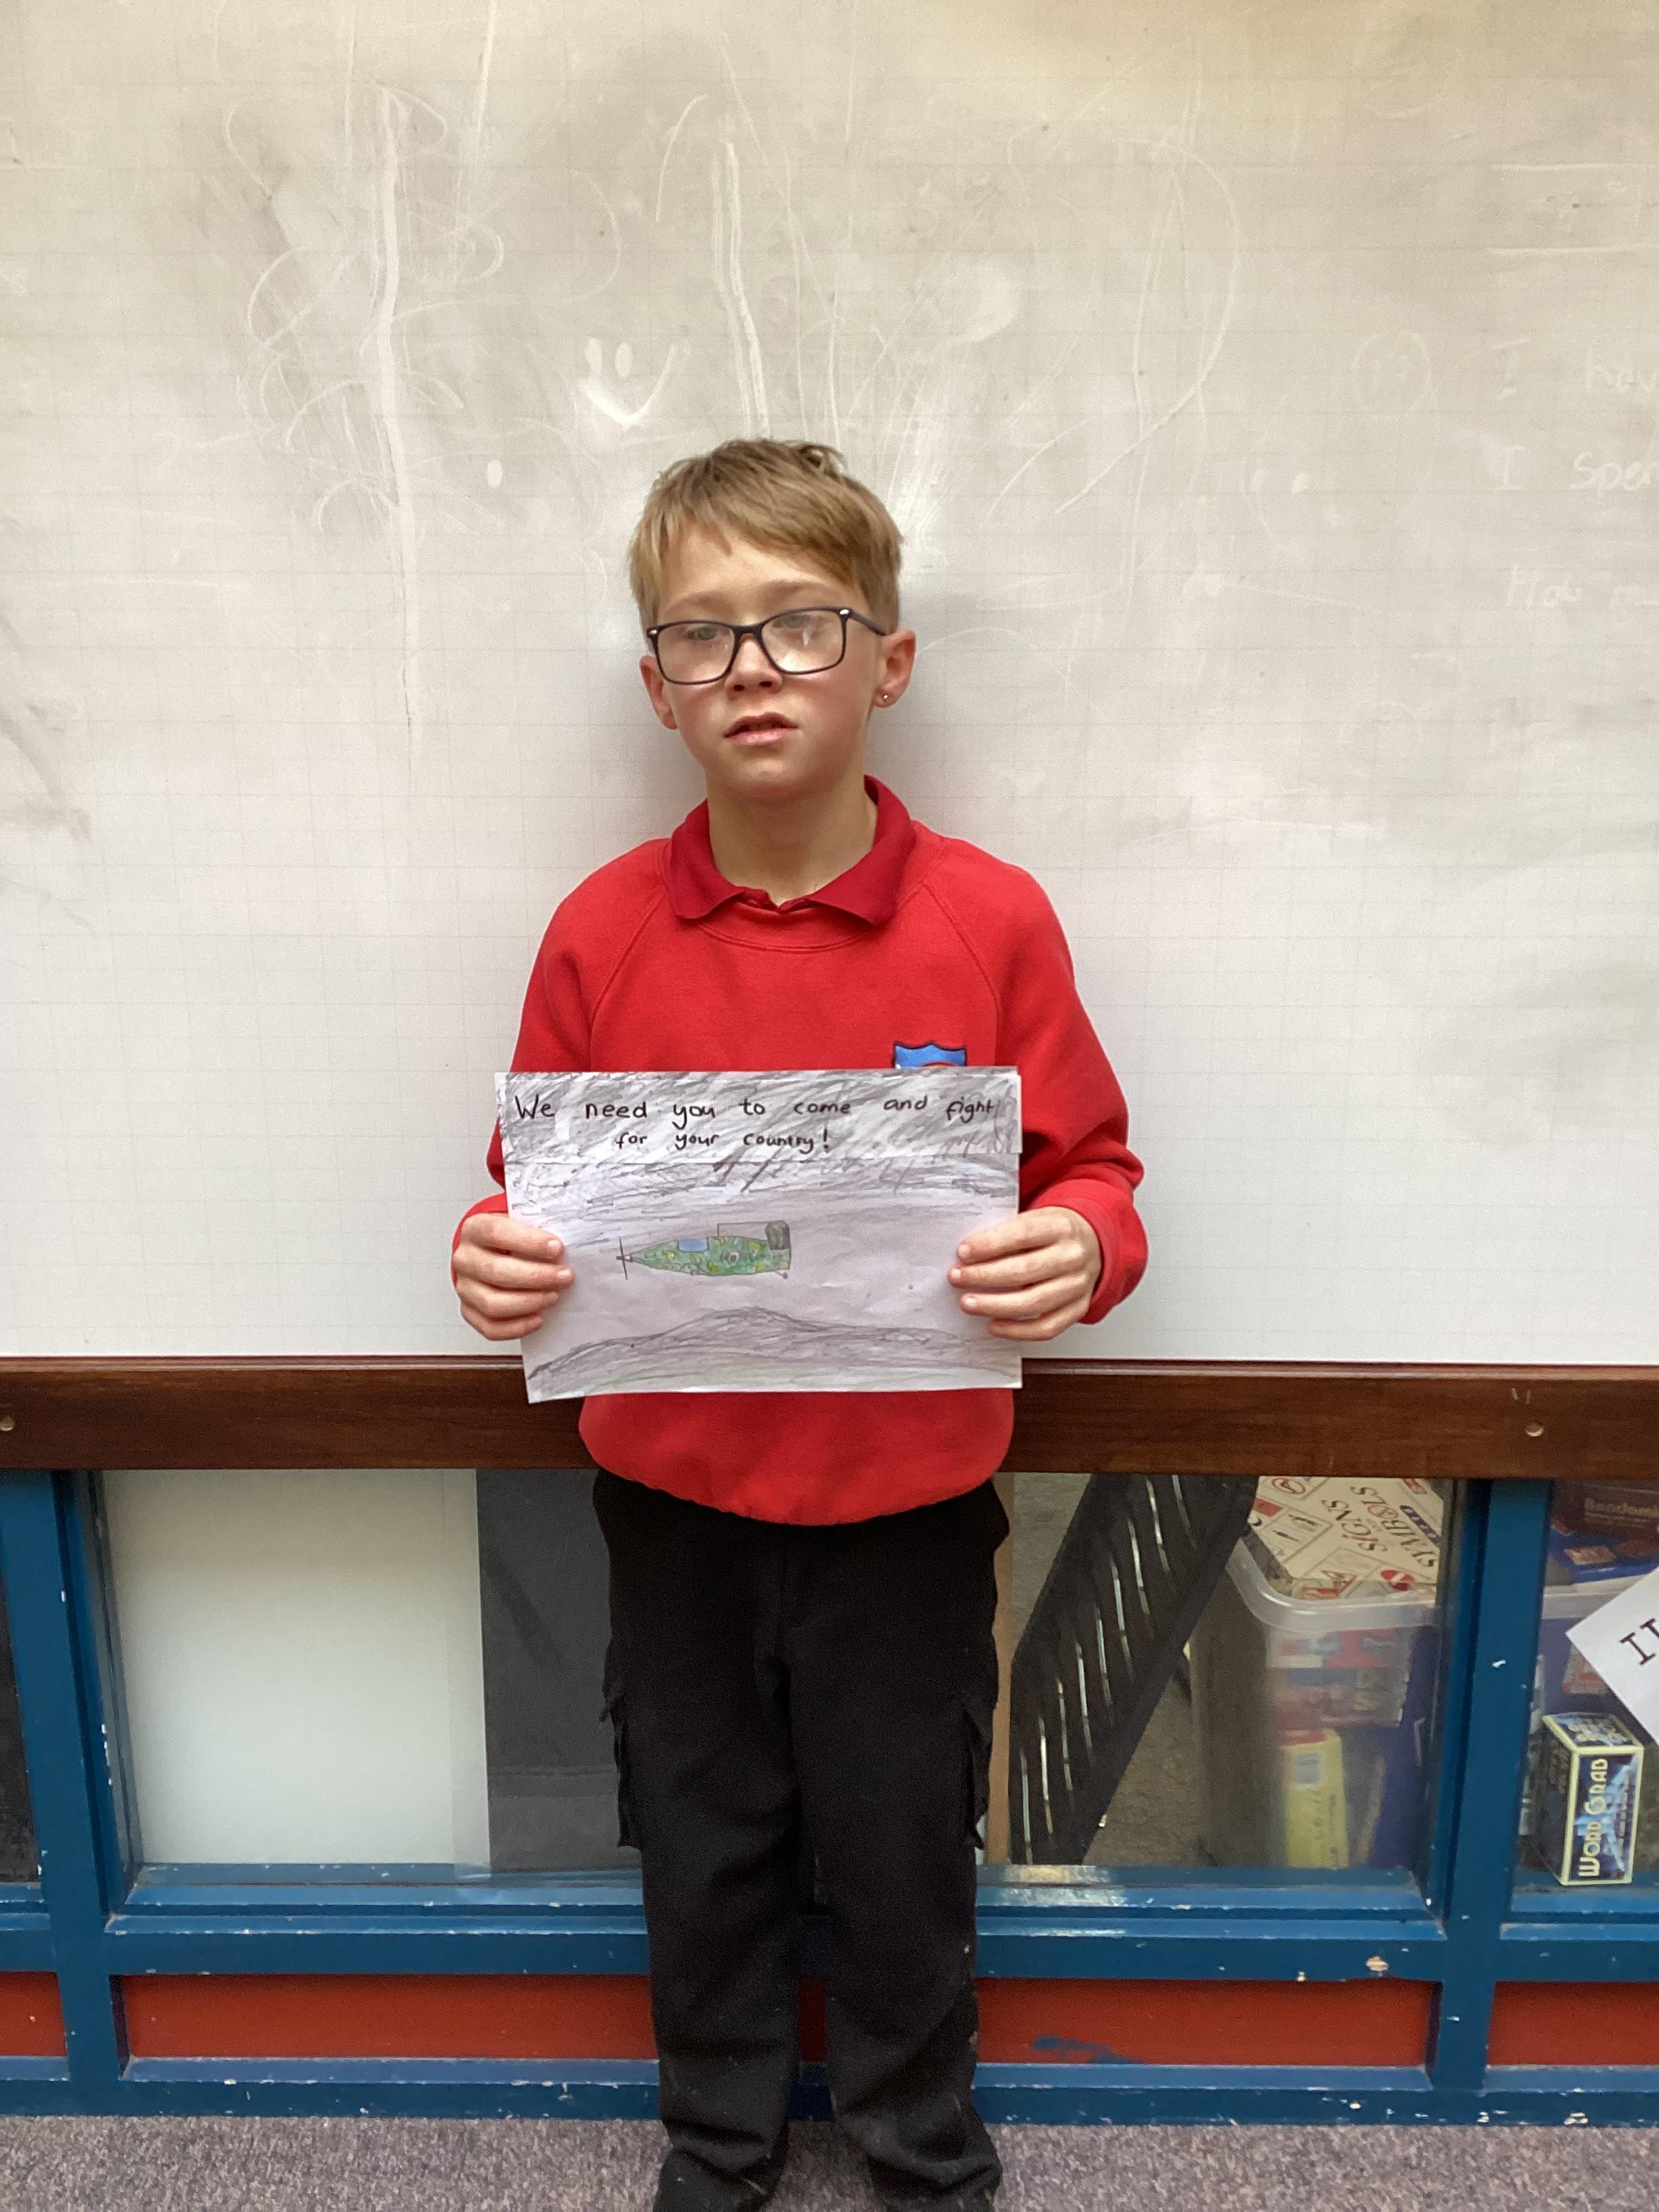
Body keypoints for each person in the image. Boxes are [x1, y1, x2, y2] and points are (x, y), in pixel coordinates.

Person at [451, 439, 1147, 2211]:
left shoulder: (991, 920)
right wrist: (493, 1257)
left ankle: (922, 2149)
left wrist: (1082, 1244)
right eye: (704, 634)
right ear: (657, 686)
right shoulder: (601, 931)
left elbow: (1095, 1167)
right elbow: (529, 1188)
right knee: (700, 1836)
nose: (752, 668)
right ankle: (719, 2145)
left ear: (888, 662)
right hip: (672, 1497)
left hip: (911, 1502)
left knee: (906, 1843)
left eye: (802, 624)